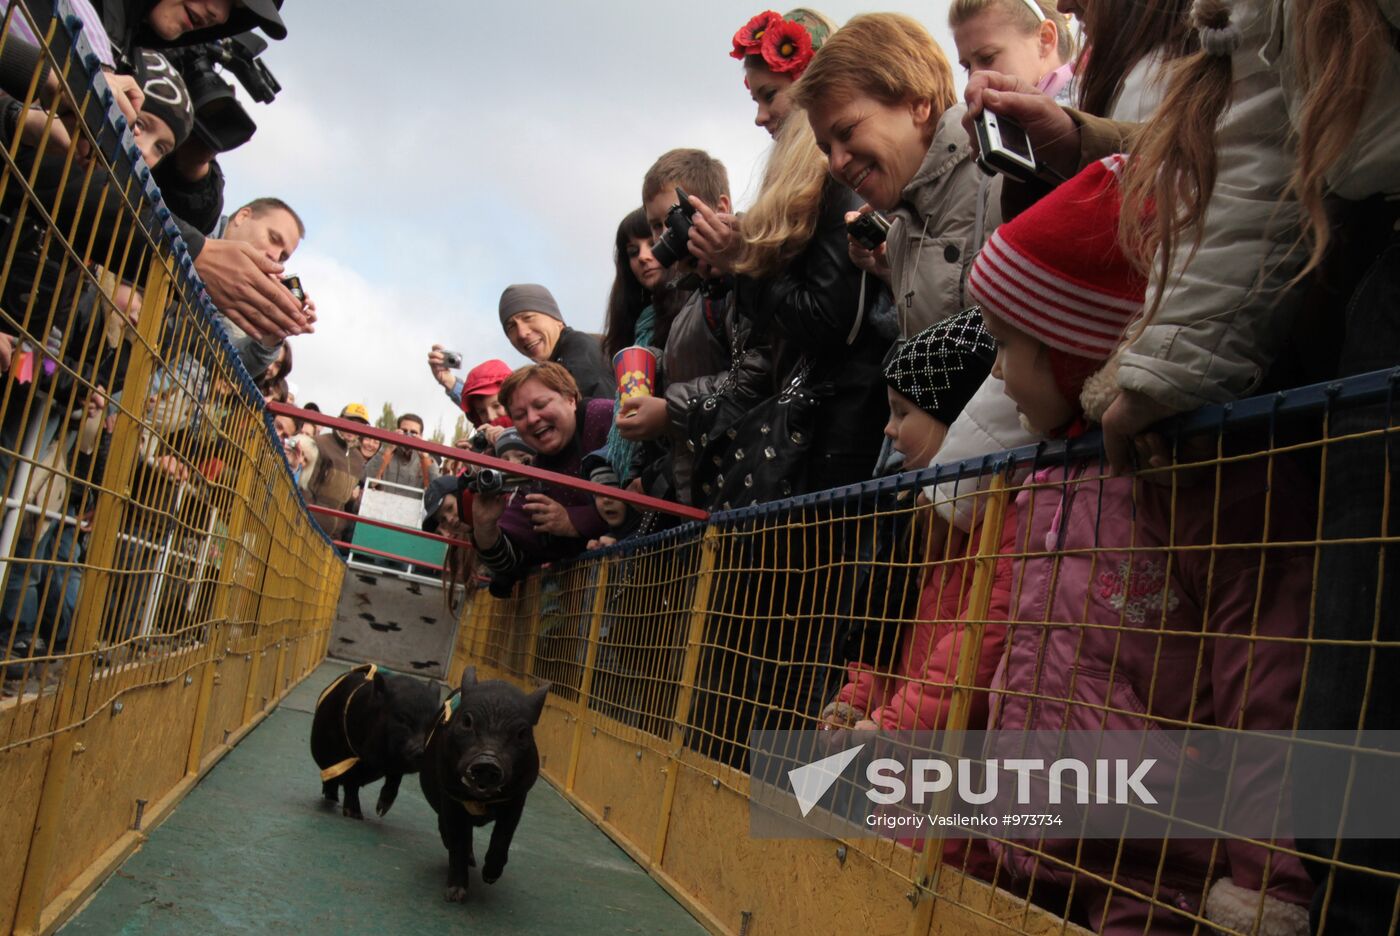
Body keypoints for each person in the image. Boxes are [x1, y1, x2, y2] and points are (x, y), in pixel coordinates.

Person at [1101, 3, 1400, 929]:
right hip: (1355, 279)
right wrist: (1160, 370)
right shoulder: (1256, 58)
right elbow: (1264, 150)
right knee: (1345, 693)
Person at [970, 156, 1314, 934]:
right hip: (1035, 845)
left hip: (1157, 876)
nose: (996, 371)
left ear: (1073, 348)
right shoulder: (1047, 477)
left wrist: (1265, 877)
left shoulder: (1208, 486)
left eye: (1008, 345)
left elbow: (1262, 680)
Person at [793, 12, 983, 339]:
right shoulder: (899, 234)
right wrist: (887, 273)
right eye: (826, 149)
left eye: (848, 131)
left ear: (917, 103)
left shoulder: (995, 180)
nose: (837, 163)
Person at [470, 364, 612, 588]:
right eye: (520, 415)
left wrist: (573, 521)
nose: (532, 419)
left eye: (541, 405)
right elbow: (509, 561)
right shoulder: (532, 477)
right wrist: (484, 527)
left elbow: (649, 494)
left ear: (570, 399)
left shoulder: (607, 419)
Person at [497, 284, 611, 399]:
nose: (522, 333)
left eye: (528, 318)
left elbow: (607, 410)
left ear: (556, 318)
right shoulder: (555, 365)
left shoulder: (581, 348)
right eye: (511, 327)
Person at [949, 0, 1074, 100]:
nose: (974, 79)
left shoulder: (1082, 110)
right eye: (967, 67)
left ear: (1045, 39)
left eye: (987, 58)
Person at [305, 403, 369, 542]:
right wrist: (307, 521)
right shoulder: (319, 443)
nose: (353, 428)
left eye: (359, 425)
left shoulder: (358, 459)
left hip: (334, 538)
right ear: (340, 419)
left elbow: (347, 503)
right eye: (350, 421)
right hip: (308, 528)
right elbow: (305, 486)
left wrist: (341, 527)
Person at [365, 413, 439, 493]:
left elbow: (435, 490)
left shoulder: (426, 460)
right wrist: (389, 447)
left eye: (413, 432)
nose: (408, 435)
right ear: (398, 430)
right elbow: (367, 478)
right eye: (404, 431)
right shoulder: (386, 452)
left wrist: (425, 457)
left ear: (421, 435)